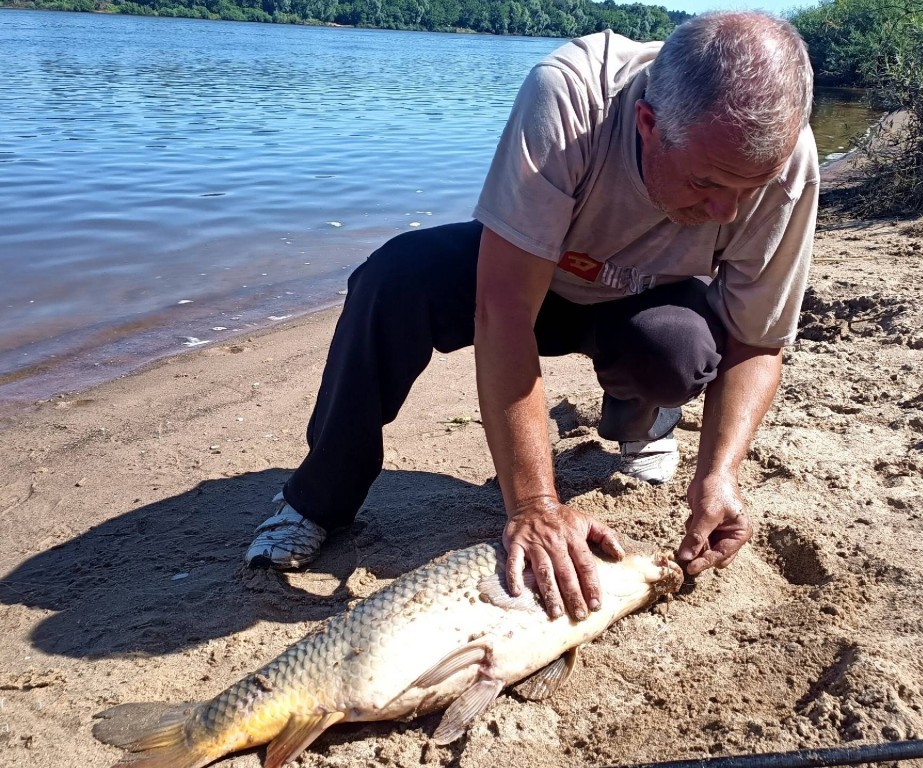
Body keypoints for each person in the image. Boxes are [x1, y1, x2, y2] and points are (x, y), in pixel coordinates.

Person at [246, 11, 819, 624]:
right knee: (393, 279)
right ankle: (319, 498)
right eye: (707, 183)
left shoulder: (781, 160)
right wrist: (536, 504)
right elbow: (503, 310)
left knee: (678, 349)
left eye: (749, 187)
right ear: (648, 124)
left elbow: (758, 339)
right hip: (527, 277)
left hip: (637, 303)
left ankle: (642, 425)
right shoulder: (572, 96)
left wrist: (719, 475)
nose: (726, 209)